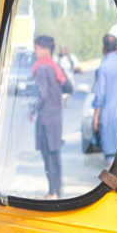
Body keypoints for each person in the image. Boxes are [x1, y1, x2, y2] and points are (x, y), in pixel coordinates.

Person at [30, 35, 71, 199]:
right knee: (55, 155)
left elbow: (42, 94)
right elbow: (68, 86)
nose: (35, 51)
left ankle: (52, 192)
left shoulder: (41, 67)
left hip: (45, 121)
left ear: (45, 49)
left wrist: (33, 110)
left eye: (37, 47)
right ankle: (57, 190)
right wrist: (57, 95)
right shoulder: (55, 66)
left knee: (48, 157)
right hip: (56, 118)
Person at [92, 31, 117, 165]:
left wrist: (96, 117)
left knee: (112, 160)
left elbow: (100, 95)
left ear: (104, 46)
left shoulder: (104, 65)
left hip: (109, 117)